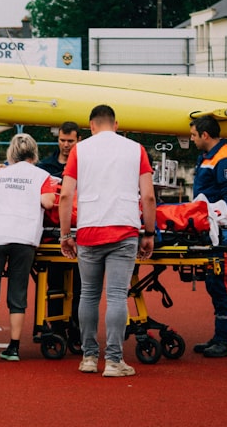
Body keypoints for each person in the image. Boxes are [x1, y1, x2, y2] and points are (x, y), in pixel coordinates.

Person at [58, 104, 156, 378]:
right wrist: (149, 232)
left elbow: (65, 196)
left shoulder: (80, 149)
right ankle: (114, 361)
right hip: (124, 228)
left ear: (90, 126)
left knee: (88, 294)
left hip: (89, 228)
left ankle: (89, 357)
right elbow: (148, 196)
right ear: (116, 124)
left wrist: (66, 235)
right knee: (116, 296)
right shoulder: (136, 149)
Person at [0, 134, 53, 362]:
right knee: (18, 291)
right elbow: (48, 202)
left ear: (11, 153)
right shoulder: (42, 175)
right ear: (34, 153)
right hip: (25, 237)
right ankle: (14, 346)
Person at [189, 115, 227, 358]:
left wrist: (226, 228)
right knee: (213, 280)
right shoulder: (208, 158)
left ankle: (225, 339)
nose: (191, 140)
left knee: (221, 279)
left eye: (193, 135)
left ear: (205, 135)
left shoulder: (224, 159)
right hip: (210, 224)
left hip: (222, 227)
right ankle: (219, 336)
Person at [36, 120, 82, 348]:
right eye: (62, 140)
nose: (65, 145)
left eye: (70, 141)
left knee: (79, 286)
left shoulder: (85, 165)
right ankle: (56, 329)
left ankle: (77, 329)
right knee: (54, 284)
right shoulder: (45, 166)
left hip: (79, 232)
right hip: (52, 234)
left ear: (79, 140)